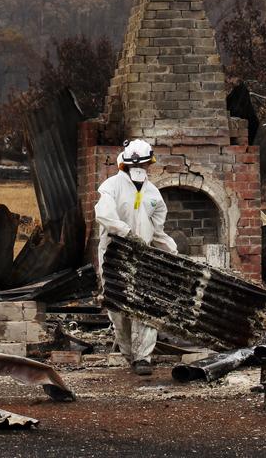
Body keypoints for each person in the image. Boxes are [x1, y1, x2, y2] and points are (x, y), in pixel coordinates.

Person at [95, 139, 178, 375]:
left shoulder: (154, 195)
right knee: (118, 308)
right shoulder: (110, 187)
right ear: (125, 165)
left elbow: (158, 232)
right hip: (114, 254)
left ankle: (144, 358)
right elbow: (104, 214)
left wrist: (172, 252)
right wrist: (126, 233)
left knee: (146, 305)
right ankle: (129, 354)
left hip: (143, 257)